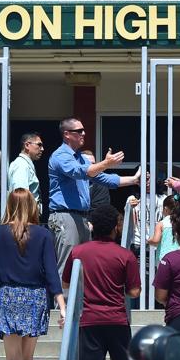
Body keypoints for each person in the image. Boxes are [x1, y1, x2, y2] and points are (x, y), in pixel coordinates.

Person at [0, 188, 66, 360]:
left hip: (10, 295)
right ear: (32, 206)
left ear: (9, 206)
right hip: (36, 296)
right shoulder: (43, 234)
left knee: (12, 358)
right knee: (27, 357)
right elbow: (51, 271)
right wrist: (61, 305)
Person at [62, 204, 140, 360]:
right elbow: (135, 292)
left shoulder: (78, 252)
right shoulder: (125, 256)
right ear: (115, 227)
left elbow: (66, 284)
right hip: (117, 320)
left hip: (89, 321)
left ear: (93, 227)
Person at [48, 117, 140, 276]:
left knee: (83, 270)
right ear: (67, 134)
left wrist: (134, 180)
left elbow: (104, 179)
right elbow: (82, 172)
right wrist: (106, 163)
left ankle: (77, 302)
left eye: (84, 130)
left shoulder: (81, 158)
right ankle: (63, 302)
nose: (84, 133)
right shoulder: (60, 156)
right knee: (67, 269)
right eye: (79, 131)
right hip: (65, 216)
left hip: (82, 218)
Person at [7, 132, 44, 205]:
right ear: (27, 145)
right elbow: (20, 197)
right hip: (25, 214)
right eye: (39, 145)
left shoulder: (24, 164)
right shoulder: (22, 165)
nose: (42, 149)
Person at [147, 194, 180, 263]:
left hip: (164, 259)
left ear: (165, 209)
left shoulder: (161, 224)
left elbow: (155, 240)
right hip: (179, 258)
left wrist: (149, 240)